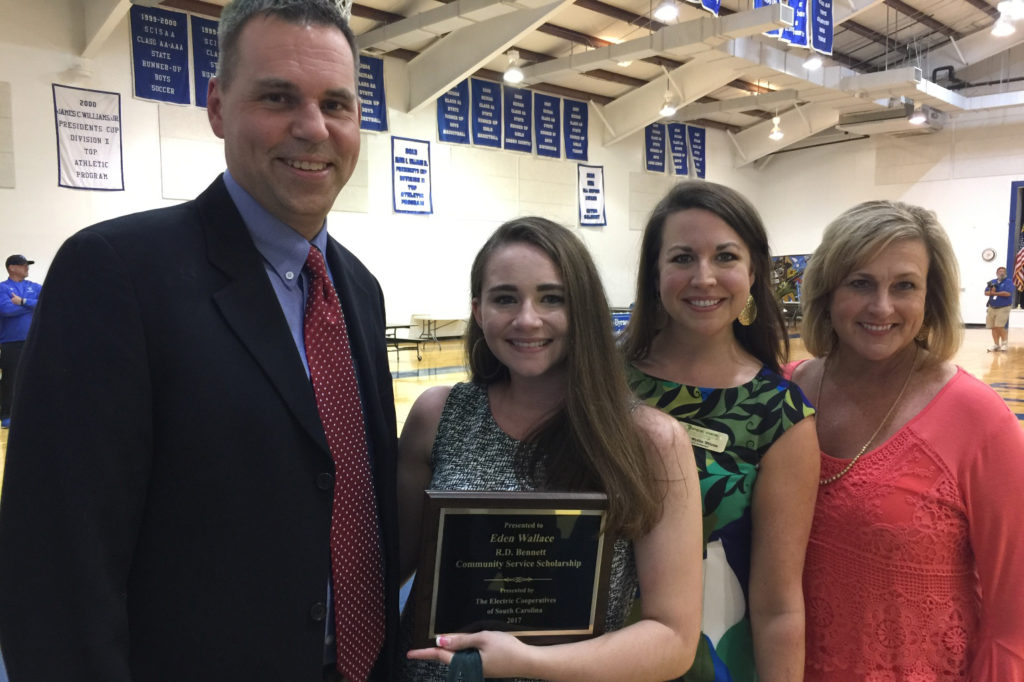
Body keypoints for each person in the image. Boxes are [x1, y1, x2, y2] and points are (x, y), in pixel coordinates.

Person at [0, 1, 400, 681]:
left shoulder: (358, 290)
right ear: (218, 107)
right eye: (278, 97)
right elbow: (56, 564)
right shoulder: (116, 273)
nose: (313, 127)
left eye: (337, 103)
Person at [397, 217, 703, 681]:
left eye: (551, 298)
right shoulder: (436, 416)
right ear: (478, 311)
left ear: (583, 309)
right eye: (504, 298)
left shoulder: (650, 440)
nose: (527, 318)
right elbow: (386, 569)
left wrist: (528, 663)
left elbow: (674, 639)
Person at [787, 200, 1024, 680]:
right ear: (827, 293)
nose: (882, 307)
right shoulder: (783, 393)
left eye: (904, 286)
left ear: (929, 298)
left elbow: (1013, 620)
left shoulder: (978, 419)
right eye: (860, 283)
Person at [620, 181, 819, 682]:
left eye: (725, 257)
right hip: (577, 655)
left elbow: (778, 606)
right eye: (683, 258)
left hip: (712, 662)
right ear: (654, 274)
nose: (703, 277)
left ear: (753, 273)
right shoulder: (599, 379)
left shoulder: (779, 413)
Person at [0, 254, 41, 428]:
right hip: (12, 341)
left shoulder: (33, 286)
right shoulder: (3, 288)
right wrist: (30, 306)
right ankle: (7, 415)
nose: (27, 267)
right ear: (12, 268)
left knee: (34, 376)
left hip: (34, 339)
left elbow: (46, 302)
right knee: (11, 378)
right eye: (23, 265)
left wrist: (22, 302)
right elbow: (6, 310)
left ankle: (33, 412)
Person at [984, 265, 1013, 351]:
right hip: (992, 307)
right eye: (1000, 271)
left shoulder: (1008, 282)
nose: (1001, 272)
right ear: (997, 273)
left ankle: (1004, 344)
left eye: (1003, 271)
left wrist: (994, 293)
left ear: (1005, 273)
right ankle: (996, 344)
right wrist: (991, 291)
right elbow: (986, 292)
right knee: (993, 327)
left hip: (1004, 308)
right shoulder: (992, 282)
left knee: (999, 326)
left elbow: (1007, 293)